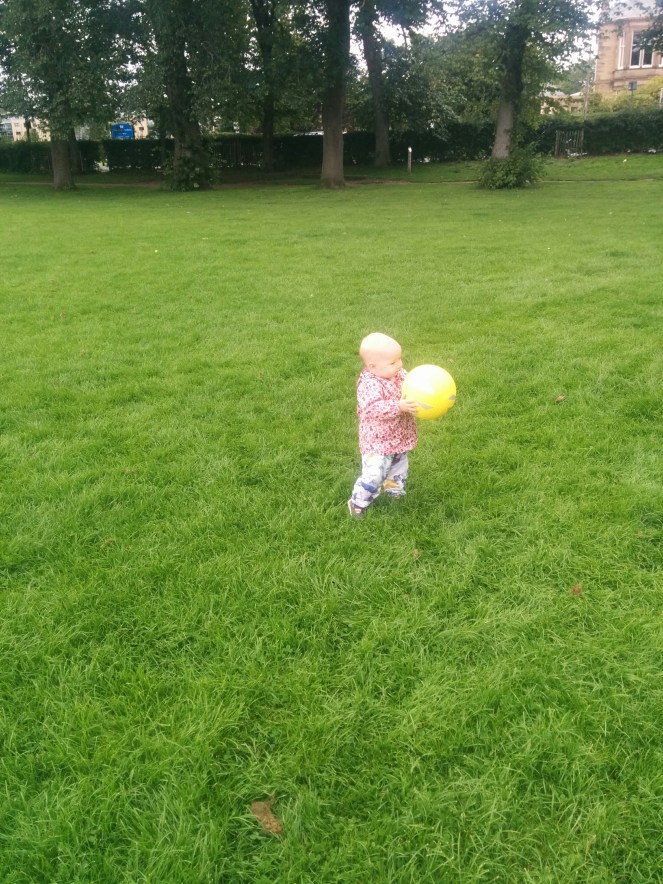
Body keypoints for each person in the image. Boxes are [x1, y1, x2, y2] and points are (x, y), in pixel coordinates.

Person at [348, 332, 419, 518]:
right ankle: (358, 501)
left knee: (398, 467)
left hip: (399, 435)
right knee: (375, 474)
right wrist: (399, 406)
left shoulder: (398, 374)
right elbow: (373, 408)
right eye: (393, 362)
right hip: (377, 441)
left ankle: (394, 491)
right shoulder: (369, 384)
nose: (400, 365)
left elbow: (411, 384)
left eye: (399, 359)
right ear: (373, 366)